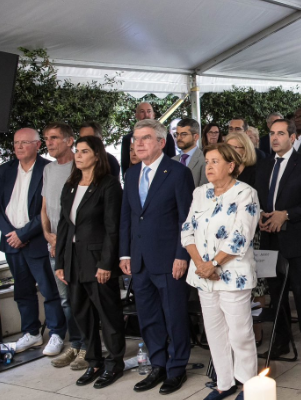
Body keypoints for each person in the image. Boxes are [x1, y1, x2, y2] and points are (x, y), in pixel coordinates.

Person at [120, 119, 195, 394]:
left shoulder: (177, 173)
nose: (138, 143)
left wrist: (181, 255)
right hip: (139, 261)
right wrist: (125, 253)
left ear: (162, 142)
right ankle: (158, 365)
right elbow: (127, 217)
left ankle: (176, 369)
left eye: (145, 138)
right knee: (149, 318)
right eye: (135, 139)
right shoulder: (130, 174)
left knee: (174, 316)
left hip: (169, 259)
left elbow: (186, 220)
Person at [181, 143, 260, 400]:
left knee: (240, 333)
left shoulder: (245, 193)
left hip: (232, 275)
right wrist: (202, 265)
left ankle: (248, 384)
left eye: (215, 161)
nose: (209, 166)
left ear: (231, 166)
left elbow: (241, 237)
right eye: (207, 161)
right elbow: (187, 231)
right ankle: (224, 383)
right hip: (204, 276)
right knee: (214, 332)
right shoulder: (200, 193)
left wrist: (214, 264)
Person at [53, 136, 126, 388]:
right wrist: (60, 261)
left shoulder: (108, 184)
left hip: (97, 261)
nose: (78, 155)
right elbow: (64, 224)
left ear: (97, 155)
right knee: (82, 314)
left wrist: (106, 263)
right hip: (73, 260)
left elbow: (112, 228)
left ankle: (115, 363)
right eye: (77, 151)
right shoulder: (71, 183)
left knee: (108, 314)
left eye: (84, 151)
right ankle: (94, 361)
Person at [0, 128, 67, 355]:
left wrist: (23, 234)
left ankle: (56, 332)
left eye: (24, 143)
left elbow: (49, 209)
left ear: (37, 145)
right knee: (22, 290)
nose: (18, 147)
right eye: (16, 143)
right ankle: (31, 333)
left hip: (35, 240)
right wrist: (11, 234)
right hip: (11, 242)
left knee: (48, 288)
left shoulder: (47, 168)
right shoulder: (5, 170)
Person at [255, 118, 301, 365]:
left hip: (298, 241)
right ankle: (281, 342)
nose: (274, 138)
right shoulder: (263, 166)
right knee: (276, 294)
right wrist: (260, 214)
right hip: (270, 240)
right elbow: (259, 200)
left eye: (280, 133)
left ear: (292, 137)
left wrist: (287, 214)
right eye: (272, 133)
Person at [40, 123, 86, 369]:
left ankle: (88, 347)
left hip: (77, 244)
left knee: (82, 297)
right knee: (65, 298)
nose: (49, 142)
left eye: (55, 138)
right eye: (47, 138)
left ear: (70, 141)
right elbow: (45, 207)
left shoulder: (80, 166)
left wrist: (65, 239)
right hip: (55, 244)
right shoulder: (47, 170)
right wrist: (48, 235)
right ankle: (75, 344)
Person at [121, 102, 177, 174]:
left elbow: (172, 161)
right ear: (136, 115)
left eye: (149, 111)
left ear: (153, 115)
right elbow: (125, 166)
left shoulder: (166, 137)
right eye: (142, 112)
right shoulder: (127, 139)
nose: (146, 115)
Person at [174, 118, 209, 187]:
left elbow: (205, 191)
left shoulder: (205, 160)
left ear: (196, 137)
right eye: (177, 134)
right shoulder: (172, 160)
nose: (179, 138)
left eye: (184, 134)